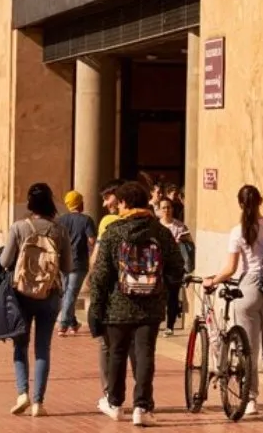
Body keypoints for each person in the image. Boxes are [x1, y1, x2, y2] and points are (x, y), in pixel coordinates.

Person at [89, 182, 184, 426]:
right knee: (145, 355)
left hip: (117, 305)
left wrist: (96, 308)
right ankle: (142, 407)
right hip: (151, 305)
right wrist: (164, 287)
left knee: (117, 353)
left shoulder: (113, 232)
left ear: (123, 203)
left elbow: (100, 275)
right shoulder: (160, 232)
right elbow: (177, 267)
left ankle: (115, 403)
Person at [202, 185, 263, 415]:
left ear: (240, 204)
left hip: (248, 289)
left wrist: (213, 280)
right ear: (261, 201)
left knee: (248, 348)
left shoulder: (237, 232)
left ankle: (250, 399)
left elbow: (230, 269)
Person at [0, 183, 73, 417]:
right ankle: (38, 403)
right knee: (43, 347)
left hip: (21, 293)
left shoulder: (19, 227)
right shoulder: (59, 230)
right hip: (49, 293)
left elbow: (4, 261)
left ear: (30, 203)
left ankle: (22, 393)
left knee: (20, 345)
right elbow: (69, 267)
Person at [89, 178, 136, 402]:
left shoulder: (108, 221)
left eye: (108, 198)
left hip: (114, 292)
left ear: (118, 197)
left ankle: (110, 393)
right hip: (140, 291)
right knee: (137, 346)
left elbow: (97, 259)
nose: (106, 203)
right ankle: (142, 399)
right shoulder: (144, 219)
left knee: (108, 345)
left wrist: (92, 281)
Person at [56, 190, 96, 336]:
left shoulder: (61, 220)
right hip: (79, 262)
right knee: (71, 293)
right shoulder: (86, 220)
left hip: (63, 261)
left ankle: (73, 322)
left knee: (67, 293)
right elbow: (92, 240)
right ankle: (63, 324)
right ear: (80, 203)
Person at [158, 196, 192, 337]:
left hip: (174, 267)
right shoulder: (155, 226)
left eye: (169, 207)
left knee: (172, 296)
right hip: (157, 267)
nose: (166, 210)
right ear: (159, 210)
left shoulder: (180, 226)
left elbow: (189, 245)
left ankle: (170, 325)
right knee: (159, 296)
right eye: (164, 207)